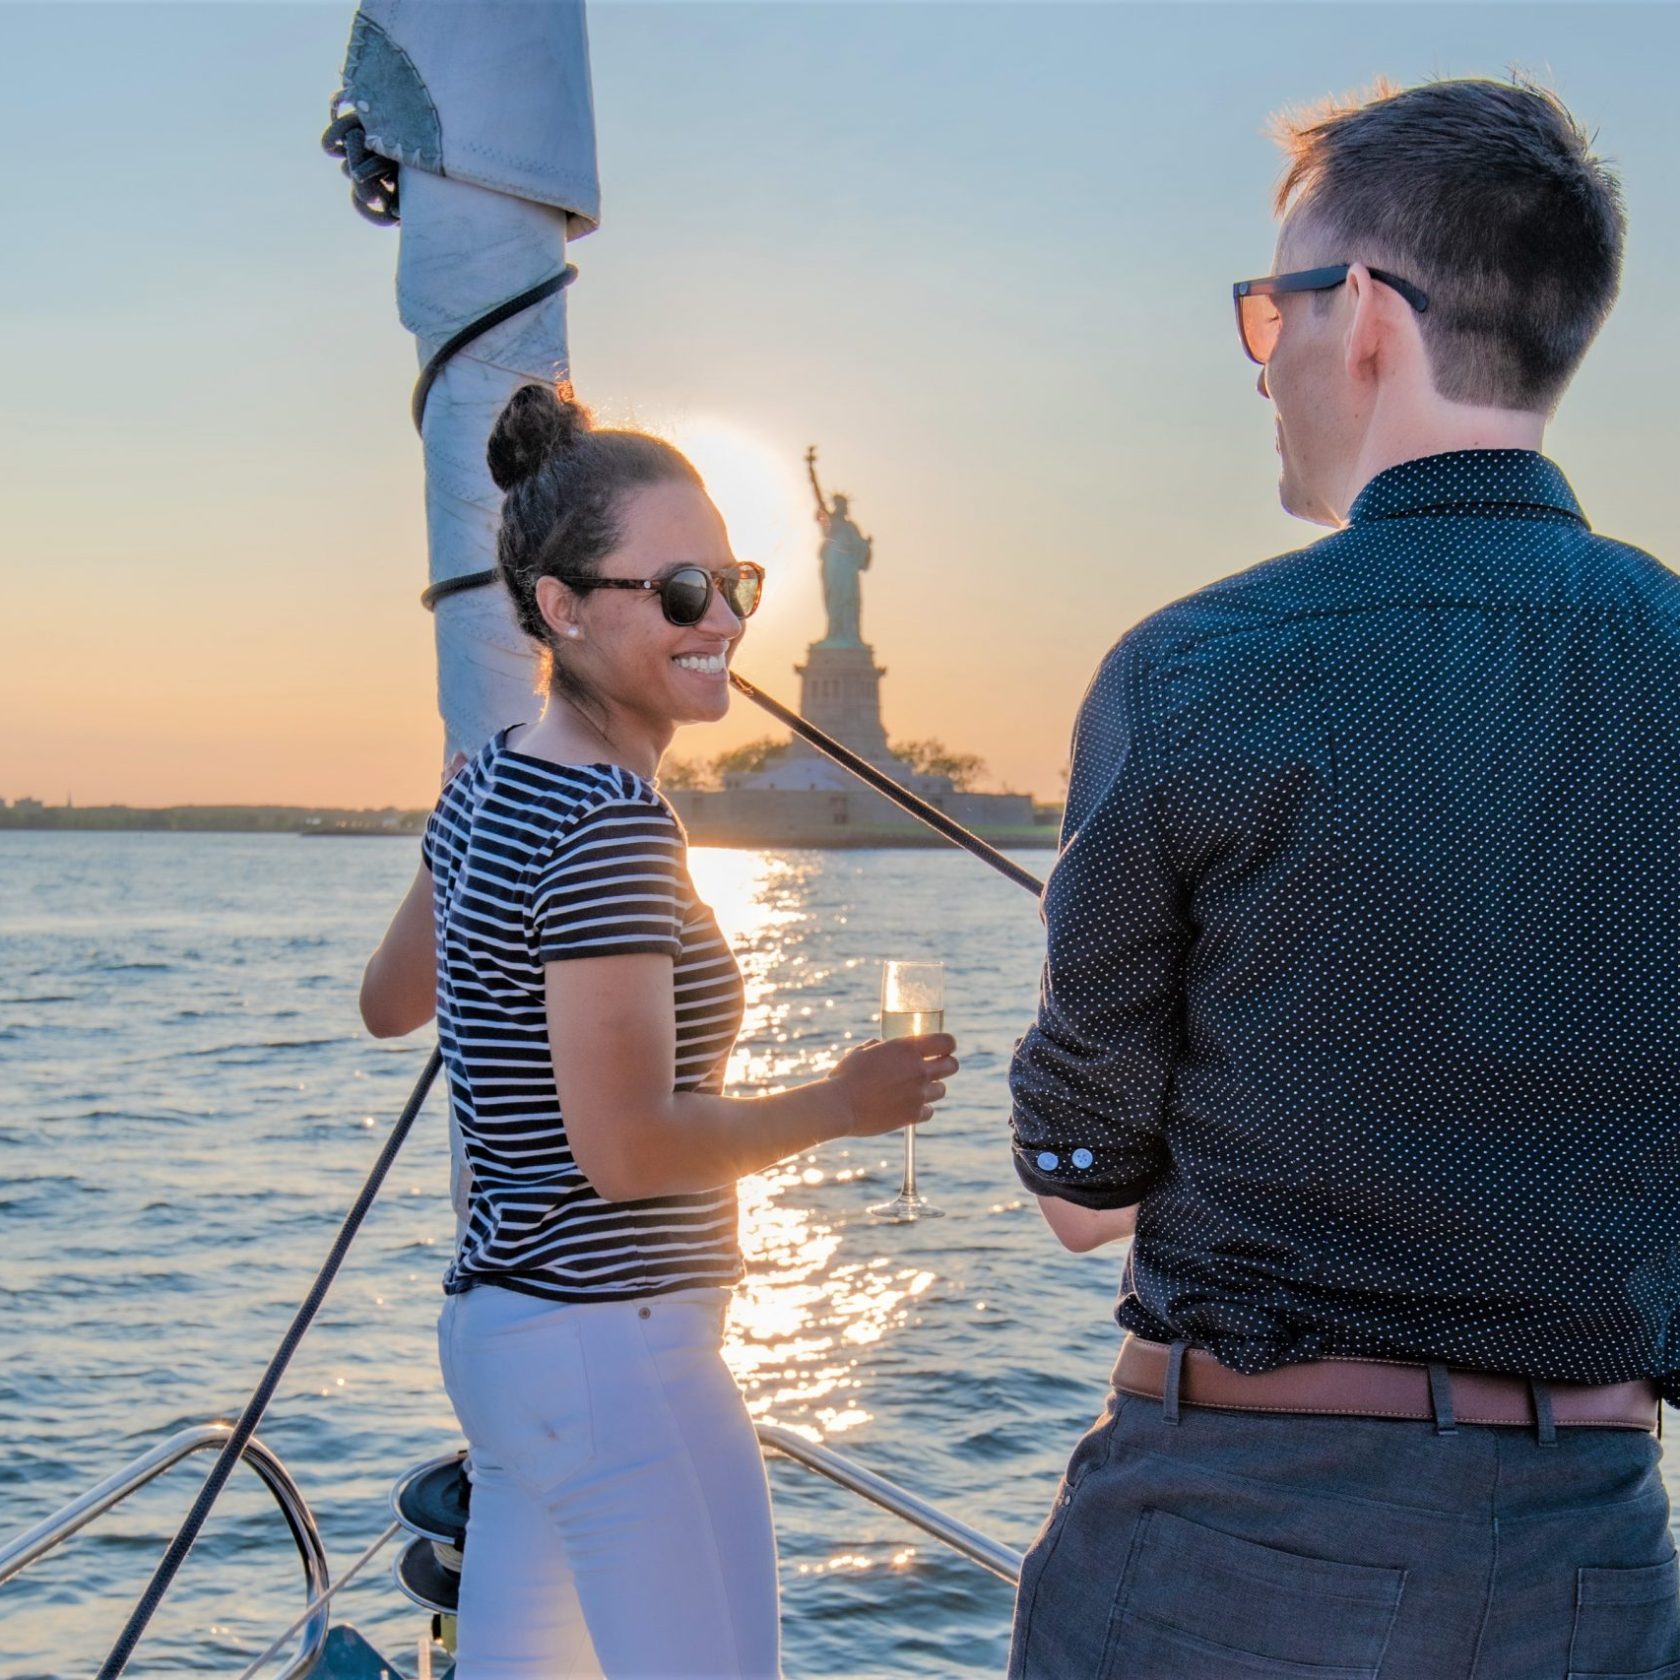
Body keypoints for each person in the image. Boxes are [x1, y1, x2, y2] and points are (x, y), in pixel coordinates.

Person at [1007, 76, 1680, 1679]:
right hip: (1598, 1560)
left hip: (1234, 1545)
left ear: (1365, 316)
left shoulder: (1200, 669)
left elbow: (1077, 1184)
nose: (1267, 365)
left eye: (1273, 309)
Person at [359, 382, 959, 1679]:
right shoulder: (612, 829)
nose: (727, 621)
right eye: (680, 594)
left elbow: (390, 1002)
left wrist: (464, 833)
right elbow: (626, 1153)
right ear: (563, 607)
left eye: (733, 582)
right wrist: (843, 1105)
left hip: (510, 1350)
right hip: (616, 1343)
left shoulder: (495, 789)